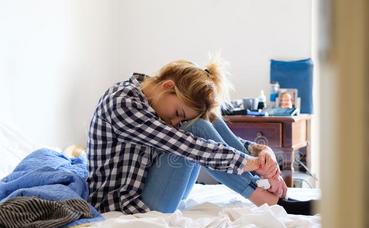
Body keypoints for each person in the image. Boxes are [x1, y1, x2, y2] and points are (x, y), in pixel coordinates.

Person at [86, 56, 312, 215]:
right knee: (194, 131)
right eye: (177, 113)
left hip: (151, 191)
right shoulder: (123, 104)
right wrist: (251, 164)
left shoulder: (152, 96)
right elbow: (188, 146)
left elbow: (211, 138)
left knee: (203, 122)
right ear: (167, 86)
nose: (174, 122)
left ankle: (266, 191)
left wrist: (261, 154)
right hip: (122, 204)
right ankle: (268, 199)